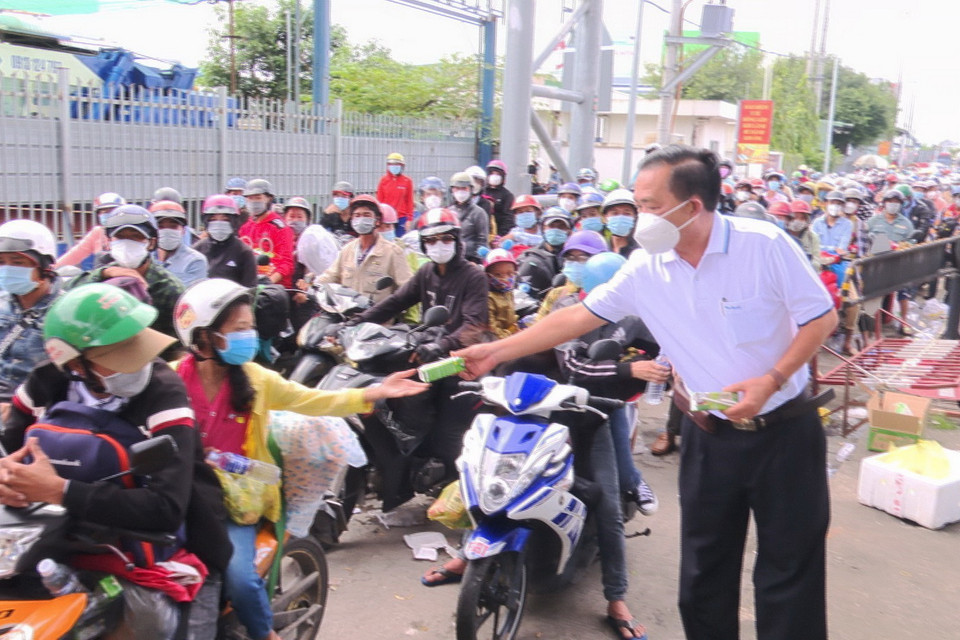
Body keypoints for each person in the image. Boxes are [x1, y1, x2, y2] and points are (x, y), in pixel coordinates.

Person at [454, 145, 837, 640]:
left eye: (650, 206)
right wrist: (496, 351)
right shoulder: (645, 267)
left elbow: (820, 317)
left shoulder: (763, 245)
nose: (639, 218)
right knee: (703, 573)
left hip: (783, 431)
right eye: (637, 205)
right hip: (708, 434)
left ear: (692, 206)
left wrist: (772, 379)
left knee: (788, 574)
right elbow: (577, 317)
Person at [172, 278, 427, 640]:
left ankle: (265, 633)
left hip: (235, 503)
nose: (249, 336)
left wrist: (375, 392)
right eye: (239, 329)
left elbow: (312, 400)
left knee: (241, 581)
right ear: (203, 337)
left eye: (249, 327)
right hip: (179, 495)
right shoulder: (170, 380)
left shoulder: (257, 380)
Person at [0, 283, 232, 639]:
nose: (138, 362)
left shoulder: (164, 393)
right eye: (116, 354)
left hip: (173, 537)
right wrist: (8, 479)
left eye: (137, 343)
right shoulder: (45, 383)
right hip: (60, 539)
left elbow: (166, 507)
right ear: (74, 363)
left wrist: (60, 490)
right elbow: (9, 447)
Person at [348, 208, 489, 477]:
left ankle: (442, 471)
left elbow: (475, 324)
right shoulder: (426, 272)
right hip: (429, 350)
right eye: (431, 240)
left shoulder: (473, 276)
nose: (439, 245)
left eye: (446, 238)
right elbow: (397, 301)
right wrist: (356, 322)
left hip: (459, 359)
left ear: (457, 240)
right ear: (424, 245)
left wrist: (442, 345)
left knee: (445, 427)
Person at [554, 250, 660, 515]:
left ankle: (632, 482)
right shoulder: (568, 308)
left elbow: (660, 344)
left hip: (606, 395)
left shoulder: (631, 314)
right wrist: (628, 369)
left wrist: (662, 366)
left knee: (615, 478)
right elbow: (571, 367)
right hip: (564, 395)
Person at [68, 204, 184, 345]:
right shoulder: (104, 276)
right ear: (109, 241)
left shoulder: (169, 288)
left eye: (136, 237)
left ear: (151, 243)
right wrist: (104, 273)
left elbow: (179, 343)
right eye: (120, 236)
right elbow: (69, 293)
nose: (127, 242)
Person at [0, 220, 62, 409]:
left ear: (44, 266)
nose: (7, 269)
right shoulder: (2, 304)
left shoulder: (65, 311)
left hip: (37, 407)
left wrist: (20, 408)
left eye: (18, 262)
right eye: (1, 262)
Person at [316, 195, 412, 304]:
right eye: (357, 215)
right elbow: (331, 276)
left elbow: (407, 289)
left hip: (377, 314)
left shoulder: (393, 252)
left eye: (367, 215)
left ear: (377, 220)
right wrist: (313, 286)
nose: (361, 219)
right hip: (348, 313)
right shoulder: (347, 250)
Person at [238, 179, 295, 288]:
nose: (253, 202)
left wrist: (268, 282)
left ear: (269, 198)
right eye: (250, 198)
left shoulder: (279, 228)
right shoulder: (245, 227)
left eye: (258, 198)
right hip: (249, 285)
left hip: (274, 287)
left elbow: (287, 263)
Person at [194, 194, 259, 287]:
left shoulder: (244, 252)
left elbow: (250, 288)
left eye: (225, 219)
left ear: (234, 221)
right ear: (206, 221)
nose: (219, 224)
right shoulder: (197, 250)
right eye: (213, 219)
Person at [54, 192, 126, 268]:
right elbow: (76, 254)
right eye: (104, 212)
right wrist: (52, 268)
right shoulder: (98, 232)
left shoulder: (130, 231)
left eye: (112, 211)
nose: (108, 214)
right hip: (103, 274)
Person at [150, 200, 208, 287]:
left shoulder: (195, 260)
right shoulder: (144, 258)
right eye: (160, 227)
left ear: (183, 230)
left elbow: (187, 292)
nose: (167, 231)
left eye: (173, 227)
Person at [448, 171, 489, 263]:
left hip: (471, 259)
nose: (460, 191)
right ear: (452, 190)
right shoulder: (448, 212)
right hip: (451, 258)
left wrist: (476, 261)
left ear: (470, 190)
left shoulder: (478, 213)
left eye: (464, 188)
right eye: (457, 188)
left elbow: (482, 240)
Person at [377, 152, 416, 234]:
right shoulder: (383, 180)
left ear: (402, 166)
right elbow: (379, 201)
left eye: (397, 164)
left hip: (402, 218)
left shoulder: (407, 181)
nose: (394, 166)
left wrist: (409, 219)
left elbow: (409, 201)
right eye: (392, 164)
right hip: (387, 218)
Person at [483, 248, 518, 339]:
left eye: (510, 274)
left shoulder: (508, 292)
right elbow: (492, 331)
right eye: (498, 274)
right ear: (488, 275)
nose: (505, 278)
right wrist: (510, 333)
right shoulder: (487, 298)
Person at [603, 189, 641, 256]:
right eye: (615, 213)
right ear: (605, 217)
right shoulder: (600, 249)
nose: (620, 217)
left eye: (627, 214)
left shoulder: (641, 252)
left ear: (635, 217)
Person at [785, 199, 821, 268]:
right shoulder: (783, 234)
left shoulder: (812, 237)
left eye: (802, 218)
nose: (798, 220)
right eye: (795, 217)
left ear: (807, 220)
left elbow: (817, 260)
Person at [483, 159, 515, 237]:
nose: (494, 176)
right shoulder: (482, 192)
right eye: (492, 173)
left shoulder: (507, 195)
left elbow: (508, 218)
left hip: (498, 234)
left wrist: (500, 236)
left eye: (498, 174)